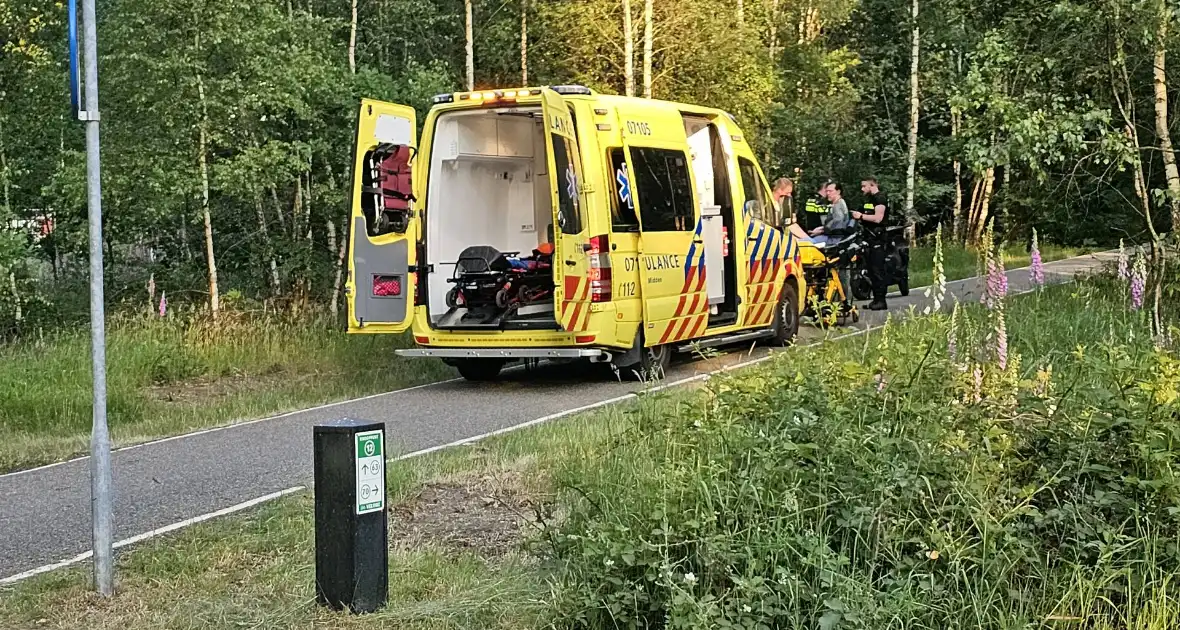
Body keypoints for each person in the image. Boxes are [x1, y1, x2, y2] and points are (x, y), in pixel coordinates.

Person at [853, 177, 890, 311]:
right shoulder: (868, 200)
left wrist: (861, 216)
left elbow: (878, 218)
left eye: (864, 186)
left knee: (877, 269)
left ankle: (881, 300)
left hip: (878, 238)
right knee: (871, 270)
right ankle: (875, 300)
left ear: (872, 185)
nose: (862, 189)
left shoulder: (880, 198)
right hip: (869, 237)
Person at [773, 177, 812, 242]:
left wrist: (809, 240)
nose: (790, 195)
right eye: (787, 192)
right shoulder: (767, 204)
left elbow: (791, 224)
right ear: (779, 190)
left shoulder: (785, 203)